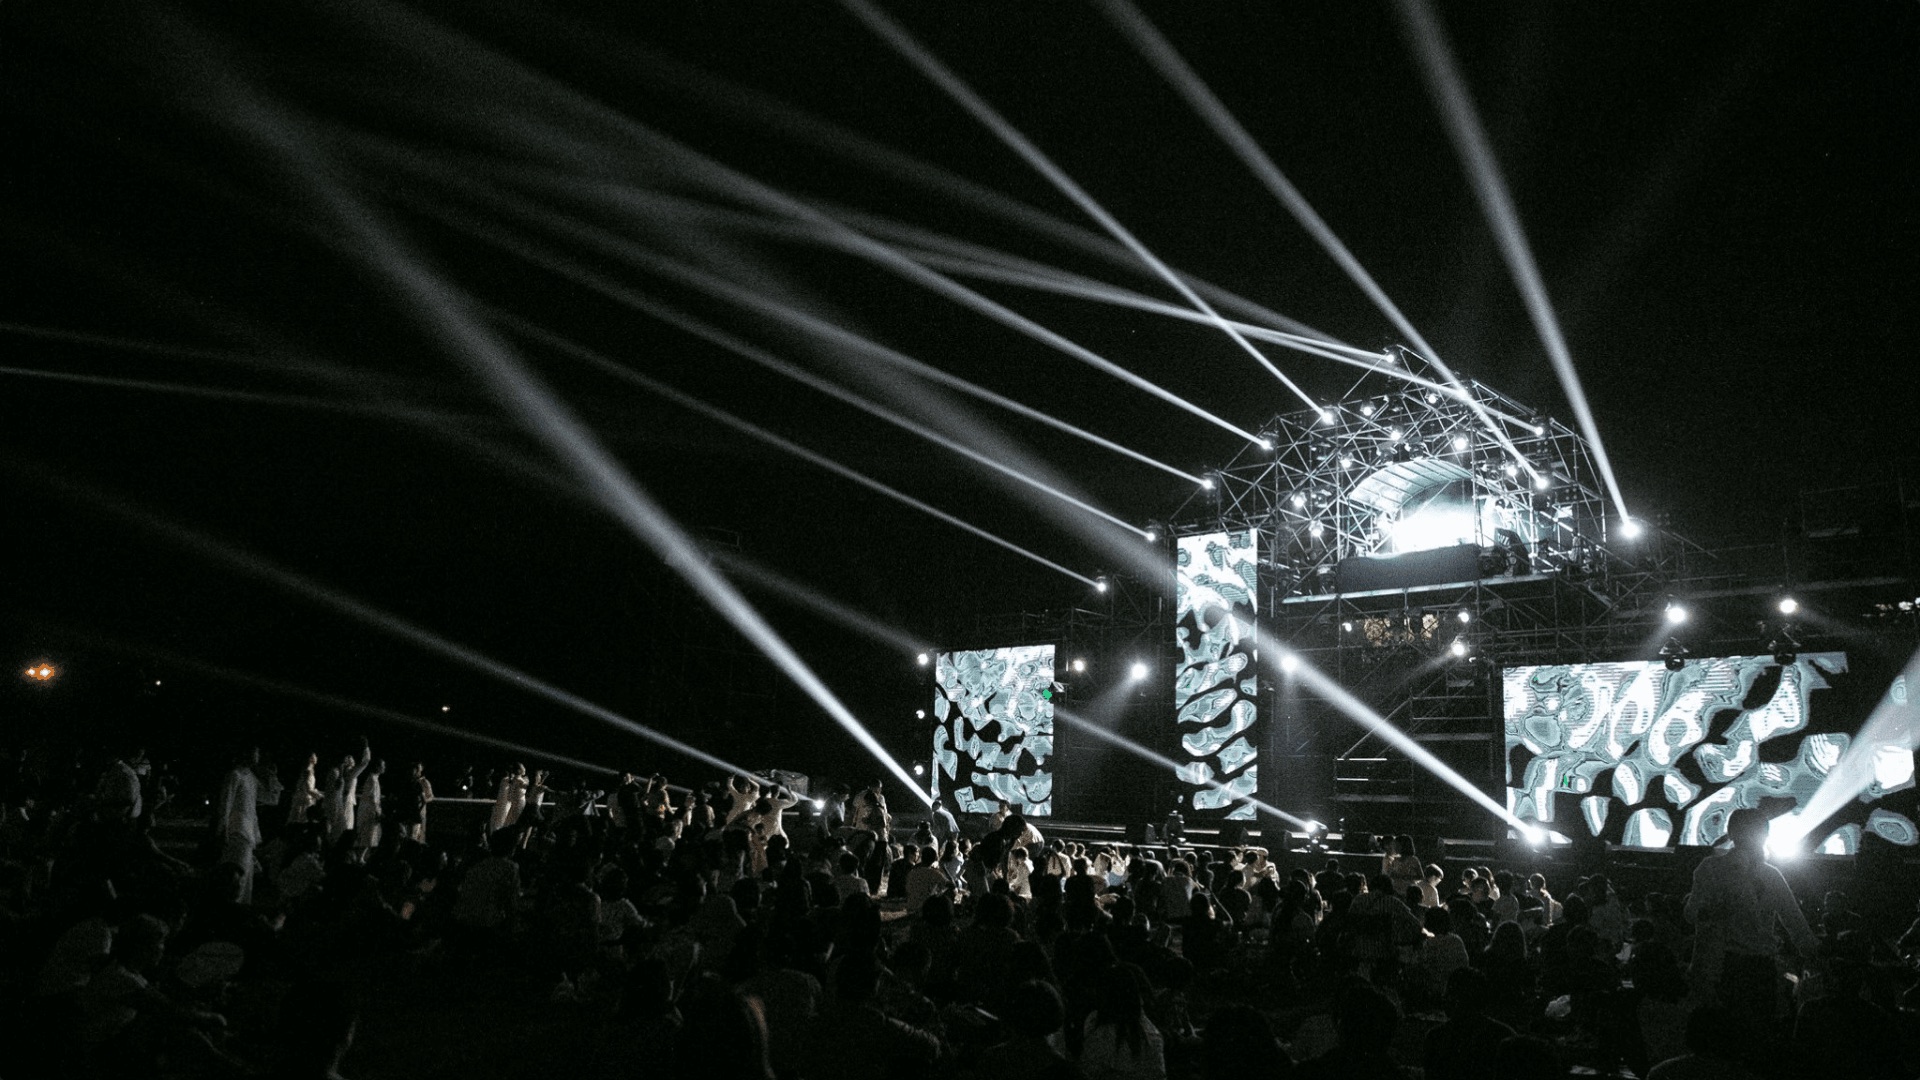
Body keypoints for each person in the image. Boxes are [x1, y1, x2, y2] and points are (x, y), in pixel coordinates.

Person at [1683, 807, 1816, 1023]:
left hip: (1721, 967)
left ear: (1731, 833)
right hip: (1753, 968)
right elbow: (1796, 924)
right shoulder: (1771, 875)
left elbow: (1691, 914)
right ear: (1764, 836)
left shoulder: (1711, 868)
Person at [215, 745, 262, 903]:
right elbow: (226, 804)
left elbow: (253, 807)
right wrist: (223, 830)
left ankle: (239, 906)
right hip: (236, 830)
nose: (258, 756)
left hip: (247, 831)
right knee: (237, 873)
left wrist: (256, 833)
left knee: (245, 875)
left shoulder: (251, 777)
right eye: (256, 752)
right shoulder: (235, 775)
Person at [320, 737, 371, 845]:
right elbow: (365, 762)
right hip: (346, 803)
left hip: (345, 801)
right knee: (345, 830)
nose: (352, 758)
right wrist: (366, 747)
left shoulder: (345, 772)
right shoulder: (350, 773)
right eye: (349, 757)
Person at [353, 759, 384, 860]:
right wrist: (378, 812)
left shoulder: (374, 779)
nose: (384, 768)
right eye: (382, 765)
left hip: (370, 810)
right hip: (370, 811)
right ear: (377, 767)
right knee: (368, 834)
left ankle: (362, 857)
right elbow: (373, 798)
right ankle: (360, 857)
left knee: (370, 835)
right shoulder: (372, 780)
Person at [489, 763, 529, 836]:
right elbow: (528, 787)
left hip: (518, 803)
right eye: (523, 767)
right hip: (519, 803)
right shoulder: (517, 780)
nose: (525, 769)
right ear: (519, 770)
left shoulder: (516, 779)